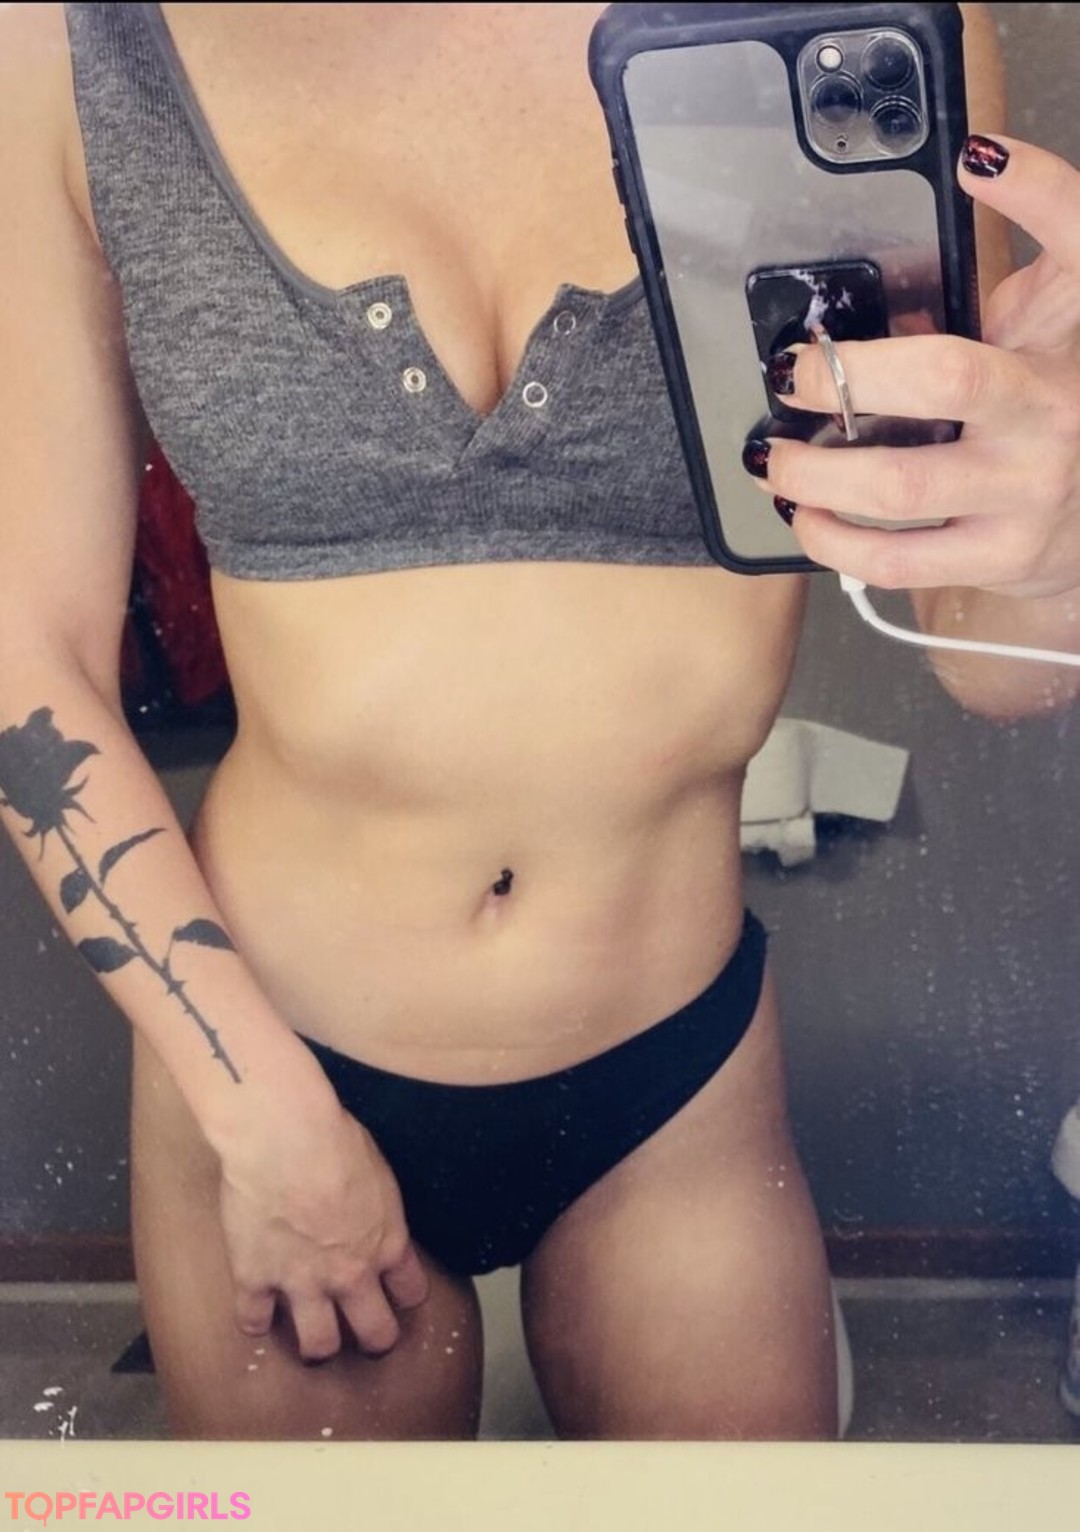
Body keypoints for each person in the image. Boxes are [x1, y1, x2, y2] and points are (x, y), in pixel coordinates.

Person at [0, 2, 1075, 1444]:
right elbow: (31, 653)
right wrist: (259, 1118)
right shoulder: (72, 42)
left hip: (672, 1083)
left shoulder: (854, 21)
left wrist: (1057, 537)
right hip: (272, 1061)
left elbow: (993, 665)